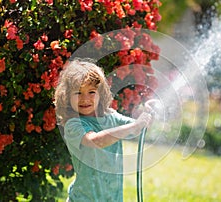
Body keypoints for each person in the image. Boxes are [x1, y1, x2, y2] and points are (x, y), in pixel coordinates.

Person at [54, 58, 153, 202]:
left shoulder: (110, 116)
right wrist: (133, 127)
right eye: (78, 93)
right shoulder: (74, 124)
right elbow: (95, 140)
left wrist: (147, 117)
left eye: (91, 92)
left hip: (111, 198)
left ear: (101, 94)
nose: (85, 98)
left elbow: (137, 128)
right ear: (67, 96)